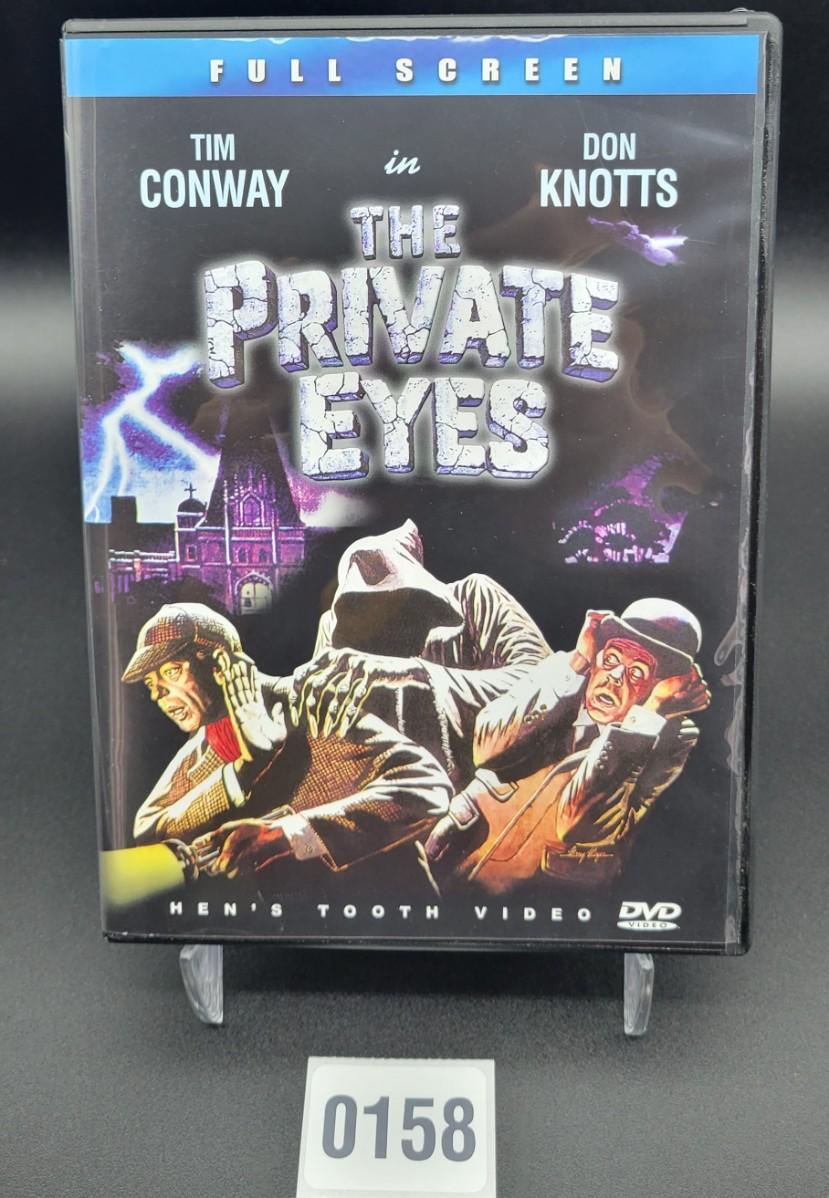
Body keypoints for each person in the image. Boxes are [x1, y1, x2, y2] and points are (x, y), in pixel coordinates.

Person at [122, 603, 451, 881]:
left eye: (172, 672)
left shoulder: (307, 706)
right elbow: (147, 832)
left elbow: (427, 785)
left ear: (220, 664)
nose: (158, 694)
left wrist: (288, 836)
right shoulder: (200, 753)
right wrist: (243, 771)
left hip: (377, 917)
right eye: (151, 682)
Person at [424, 598, 711, 891]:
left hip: (525, 896)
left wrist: (645, 719)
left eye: (637, 672)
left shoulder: (672, 738)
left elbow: (579, 826)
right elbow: (485, 749)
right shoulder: (563, 672)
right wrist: (577, 663)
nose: (614, 677)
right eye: (611, 659)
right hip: (446, 858)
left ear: (665, 686)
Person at [287, 519, 552, 789]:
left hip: (493, 790)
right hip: (398, 795)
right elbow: (320, 726)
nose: (382, 624)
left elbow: (546, 679)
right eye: (362, 610)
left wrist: (418, 676)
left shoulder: (474, 597)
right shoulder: (332, 630)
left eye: (393, 604)